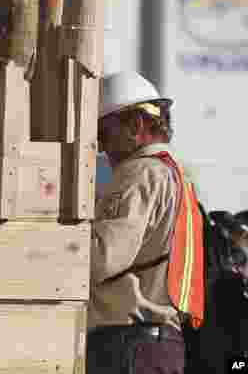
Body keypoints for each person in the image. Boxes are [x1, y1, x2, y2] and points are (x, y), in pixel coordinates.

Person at [87, 71, 205, 374]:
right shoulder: (175, 174)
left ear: (136, 125)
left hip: (129, 345)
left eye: (104, 133)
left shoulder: (140, 173)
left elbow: (101, 257)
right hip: (159, 346)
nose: (101, 147)